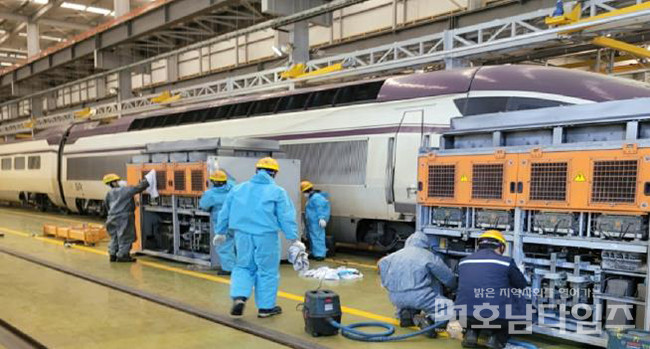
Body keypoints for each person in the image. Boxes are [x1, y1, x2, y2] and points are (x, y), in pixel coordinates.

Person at [216, 157, 299, 318]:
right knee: (267, 270)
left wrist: (220, 231)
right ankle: (266, 308)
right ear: (274, 173)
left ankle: (239, 297)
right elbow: (286, 217)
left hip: (242, 235)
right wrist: (294, 239)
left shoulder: (238, 189)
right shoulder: (278, 192)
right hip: (266, 236)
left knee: (243, 267)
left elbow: (224, 212)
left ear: (256, 170)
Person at [455, 230, 528, 349]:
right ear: (501, 247)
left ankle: (470, 334)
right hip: (496, 318)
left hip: (463, 316)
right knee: (529, 313)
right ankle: (497, 339)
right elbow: (521, 285)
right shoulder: (506, 262)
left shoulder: (463, 261)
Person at [378, 231, 457, 334]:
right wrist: (455, 287)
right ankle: (429, 320)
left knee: (408, 301)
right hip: (420, 297)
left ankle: (405, 314)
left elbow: (381, 265)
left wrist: (390, 287)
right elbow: (447, 277)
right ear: (425, 244)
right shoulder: (427, 255)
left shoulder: (392, 256)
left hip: (396, 298)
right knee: (450, 308)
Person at [103, 172, 150, 263]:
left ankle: (112, 254)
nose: (120, 182)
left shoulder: (109, 193)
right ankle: (123, 256)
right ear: (113, 183)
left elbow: (107, 206)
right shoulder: (124, 190)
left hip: (111, 218)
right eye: (117, 181)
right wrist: (148, 180)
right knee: (125, 236)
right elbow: (138, 188)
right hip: (124, 217)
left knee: (115, 237)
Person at [199, 170, 235, 275]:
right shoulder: (233, 189)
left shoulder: (210, 194)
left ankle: (229, 268)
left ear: (213, 182)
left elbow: (203, 206)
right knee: (237, 244)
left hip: (222, 223)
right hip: (236, 221)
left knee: (224, 245)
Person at [301, 180, 331, 261]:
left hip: (317, 222)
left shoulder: (317, 198)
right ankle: (314, 253)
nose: (304, 193)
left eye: (305, 191)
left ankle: (320, 254)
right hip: (312, 222)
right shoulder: (312, 198)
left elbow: (320, 208)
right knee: (312, 237)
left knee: (318, 237)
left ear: (310, 190)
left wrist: (322, 218)